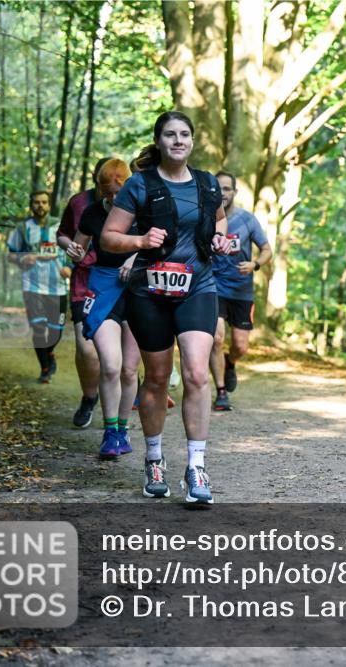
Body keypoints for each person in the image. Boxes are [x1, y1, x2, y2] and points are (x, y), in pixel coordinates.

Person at [101, 111, 231, 504]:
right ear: (158, 141)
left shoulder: (208, 185)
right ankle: (154, 459)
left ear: (192, 141)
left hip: (198, 287)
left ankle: (196, 469)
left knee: (195, 373)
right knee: (156, 378)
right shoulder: (139, 185)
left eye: (185, 134)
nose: (178, 140)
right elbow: (108, 238)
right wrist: (140, 241)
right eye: (170, 135)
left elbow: (220, 222)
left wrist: (221, 241)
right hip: (150, 291)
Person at [69, 158, 141, 460]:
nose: (111, 199)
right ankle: (110, 432)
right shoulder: (92, 212)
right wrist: (75, 251)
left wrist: (132, 259)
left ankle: (123, 429)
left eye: (116, 193)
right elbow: (79, 247)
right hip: (103, 286)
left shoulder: (141, 211)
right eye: (106, 193)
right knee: (110, 364)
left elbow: (158, 245)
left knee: (128, 369)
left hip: (138, 289)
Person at [209, 170, 272, 411]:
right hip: (213, 285)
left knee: (240, 346)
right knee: (216, 337)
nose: (222, 193)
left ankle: (230, 362)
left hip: (241, 291)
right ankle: (221, 391)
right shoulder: (208, 219)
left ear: (234, 192)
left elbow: (266, 249)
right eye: (218, 189)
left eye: (227, 189)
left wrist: (255, 264)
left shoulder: (247, 219)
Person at [58, 157, 114, 428]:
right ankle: (89, 398)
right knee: (87, 349)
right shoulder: (79, 202)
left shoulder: (129, 201)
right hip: (84, 280)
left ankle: (117, 413)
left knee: (115, 350)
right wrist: (70, 247)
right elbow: (63, 234)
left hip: (116, 282)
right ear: (95, 178)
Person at [7, 190, 70, 383]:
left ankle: (49, 354)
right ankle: (44, 368)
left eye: (44, 202)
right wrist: (22, 258)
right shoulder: (22, 228)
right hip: (32, 287)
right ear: (31, 205)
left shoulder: (61, 227)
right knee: (38, 328)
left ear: (49, 205)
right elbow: (11, 255)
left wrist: (69, 267)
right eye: (36, 202)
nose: (40, 206)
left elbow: (74, 252)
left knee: (56, 331)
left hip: (57, 288)